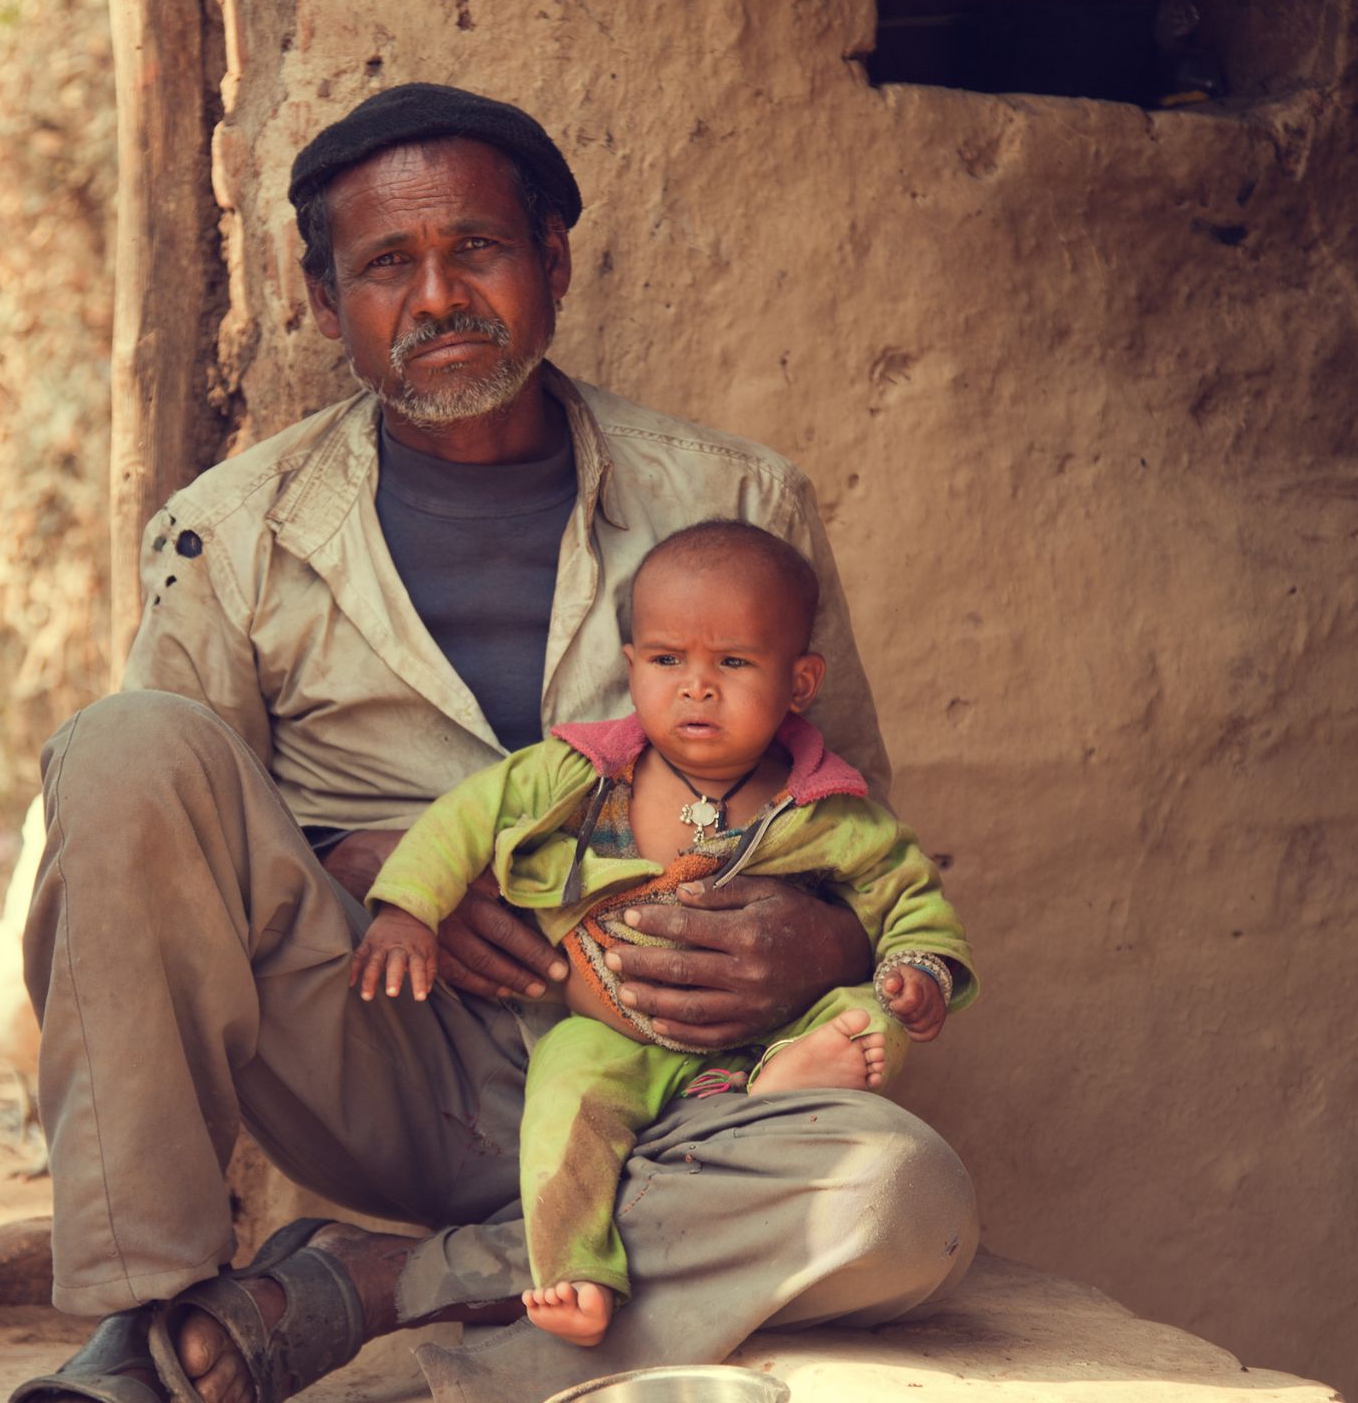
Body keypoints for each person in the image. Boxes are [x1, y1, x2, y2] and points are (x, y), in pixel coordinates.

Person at [12, 83, 977, 1403]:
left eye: (475, 249)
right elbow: (182, 840)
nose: (436, 299)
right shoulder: (228, 534)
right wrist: (371, 868)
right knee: (124, 746)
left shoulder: (733, 500)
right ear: (317, 296)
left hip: (671, 1081)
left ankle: (372, 1290)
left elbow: (856, 828)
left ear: (554, 262)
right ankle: (145, 1322)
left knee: (903, 1199)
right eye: (386, 266)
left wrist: (812, 943)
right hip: (375, 1047)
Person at [352, 519, 978, 1348]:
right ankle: (574, 1269)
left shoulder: (831, 811)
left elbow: (908, 896)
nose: (697, 688)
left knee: (870, 1016)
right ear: (631, 667)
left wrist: (919, 973)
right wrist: (406, 909)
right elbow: (464, 821)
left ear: (800, 682)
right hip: (609, 1035)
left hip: (767, 1039)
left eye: (734, 662)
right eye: (667, 660)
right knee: (565, 1102)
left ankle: (782, 1082)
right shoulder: (576, 773)